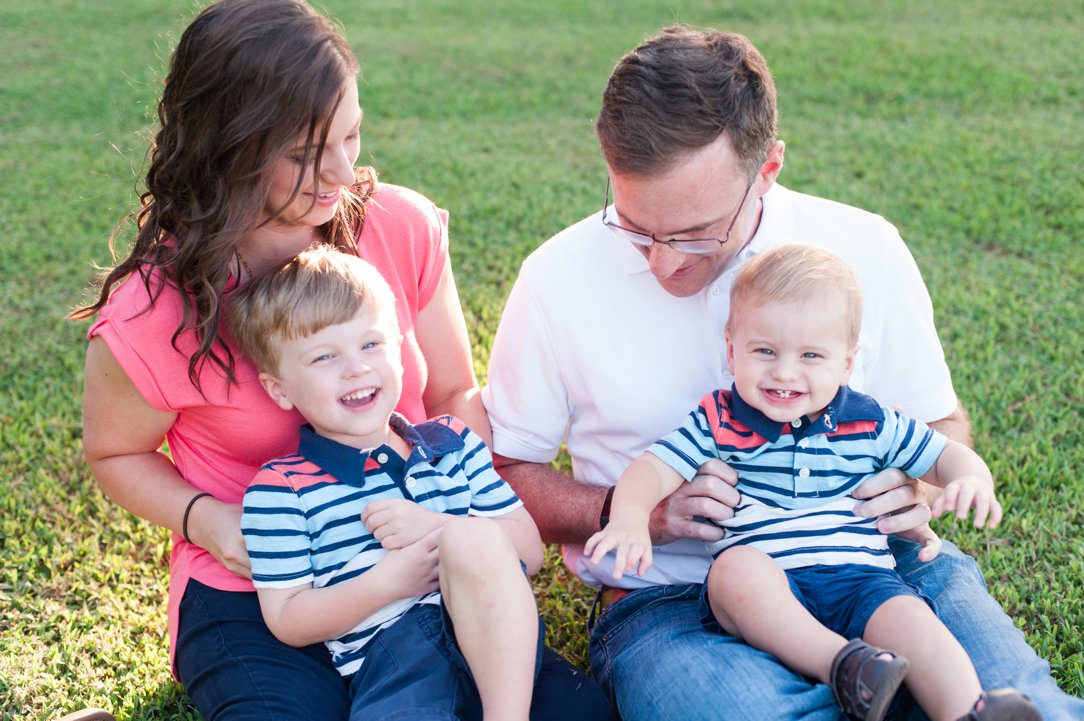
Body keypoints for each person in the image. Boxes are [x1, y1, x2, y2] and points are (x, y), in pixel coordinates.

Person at [482, 24, 1083, 721]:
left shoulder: (866, 247)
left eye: (697, 233)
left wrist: (916, 480)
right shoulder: (557, 277)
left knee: (1027, 708)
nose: (664, 263)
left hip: (880, 569)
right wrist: (633, 509)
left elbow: (939, 423)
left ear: (768, 168)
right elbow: (505, 472)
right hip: (674, 600)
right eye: (637, 226)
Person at [72, 1, 611, 719]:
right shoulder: (154, 307)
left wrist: (468, 525)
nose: (339, 173)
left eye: (351, 135)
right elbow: (115, 453)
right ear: (226, 146)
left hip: (422, 559)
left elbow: (452, 391)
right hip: (267, 586)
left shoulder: (402, 225)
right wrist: (213, 523)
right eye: (302, 153)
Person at [584, 244, 1041, 721]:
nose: (784, 371)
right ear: (731, 349)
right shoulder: (719, 420)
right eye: (764, 351)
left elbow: (944, 455)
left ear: (845, 364)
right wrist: (631, 519)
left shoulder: (868, 420)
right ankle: (846, 666)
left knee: (912, 622)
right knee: (734, 572)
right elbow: (653, 469)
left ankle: (970, 710)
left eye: (810, 355)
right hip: (769, 582)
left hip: (862, 579)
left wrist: (969, 478)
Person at [227, 246, 544, 720]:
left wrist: (435, 527)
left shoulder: (452, 444)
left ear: (399, 347)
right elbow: (288, 618)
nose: (355, 368)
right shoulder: (282, 491)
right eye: (323, 356)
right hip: (397, 665)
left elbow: (531, 552)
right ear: (279, 389)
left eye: (371, 344)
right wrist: (388, 582)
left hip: (508, 646)